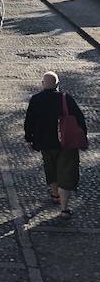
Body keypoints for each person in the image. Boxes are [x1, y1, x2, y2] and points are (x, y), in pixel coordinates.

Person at [24, 72, 87, 216]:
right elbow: (80, 119)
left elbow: (29, 122)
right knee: (66, 173)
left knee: (50, 169)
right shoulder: (66, 99)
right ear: (57, 84)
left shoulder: (36, 99)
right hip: (66, 142)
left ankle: (55, 195)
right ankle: (64, 208)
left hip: (45, 143)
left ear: (42, 83)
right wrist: (82, 137)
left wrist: (29, 138)